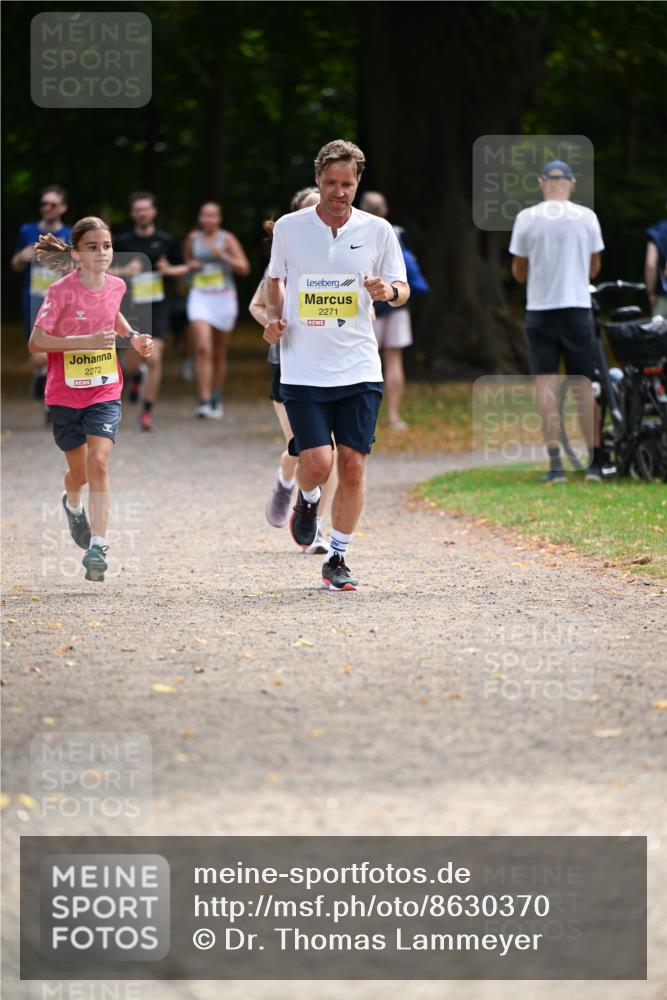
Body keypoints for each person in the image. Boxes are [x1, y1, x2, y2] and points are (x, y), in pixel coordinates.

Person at [263, 139, 409, 591]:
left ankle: (338, 557)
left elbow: (403, 288)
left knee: (352, 465)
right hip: (304, 366)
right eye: (330, 183)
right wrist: (275, 320)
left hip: (359, 366)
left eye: (347, 184)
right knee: (316, 463)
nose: (338, 192)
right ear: (317, 178)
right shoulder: (290, 227)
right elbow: (274, 280)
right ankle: (307, 501)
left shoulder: (378, 230)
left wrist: (387, 292)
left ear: (358, 182)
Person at [28, 217, 152, 582]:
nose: (102, 253)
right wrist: (83, 343)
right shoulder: (60, 292)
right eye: (93, 247)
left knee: (99, 463)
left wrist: (134, 336)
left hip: (103, 388)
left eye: (107, 246)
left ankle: (98, 546)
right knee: (78, 474)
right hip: (65, 392)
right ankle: (72, 504)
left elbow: (110, 314)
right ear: (77, 253)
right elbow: (36, 343)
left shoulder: (117, 285)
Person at [249, 186, 337, 555]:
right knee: (305, 448)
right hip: (287, 367)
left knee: (328, 450)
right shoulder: (282, 262)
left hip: (333, 366)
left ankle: (317, 526)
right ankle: (286, 481)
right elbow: (257, 306)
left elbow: (360, 309)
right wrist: (277, 325)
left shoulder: (345, 259)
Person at [509, 159, 605, 483]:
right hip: (577, 308)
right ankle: (595, 463)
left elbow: (519, 271)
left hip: (540, 310)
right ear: (571, 183)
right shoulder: (587, 217)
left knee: (546, 388)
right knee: (583, 386)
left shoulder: (526, 218)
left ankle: (555, 467)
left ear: (541, 182)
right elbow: (594, 268)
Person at [112, 192, 190, 431]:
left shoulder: (166, 240)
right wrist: (125, 269)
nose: (142, 213)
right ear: (132, 213)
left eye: (146, 209)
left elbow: (184, 268)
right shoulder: (122, 241)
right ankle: (135, 378)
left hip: (158, 305)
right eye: (138, 210)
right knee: (132, 363)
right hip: (131, 306)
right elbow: (104, 271)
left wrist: (170, 269)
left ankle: (146, 411)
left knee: (154, 357)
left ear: (154, 211)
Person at [360, 190, 429, 430]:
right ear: (385, 210)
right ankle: (394, 416)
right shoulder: (396, 232)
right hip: (398, 304)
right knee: (394, 359)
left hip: (369, 305)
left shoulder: (356, 231)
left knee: (368, 360)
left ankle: (369, 417)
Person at [184, 202, 250, 418]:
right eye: (205, 215)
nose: (208, 219)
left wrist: (222, 255)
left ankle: (215, 396)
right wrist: (191, 266)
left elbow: (244, 268)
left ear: (219, 218)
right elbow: (187, 262)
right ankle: (203, 399)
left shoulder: (227, 238)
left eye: (213, 215)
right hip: (200, 296)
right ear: (200, 217)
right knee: (202, 347)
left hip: (223, 298)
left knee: (219, 352)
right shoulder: (192, 239)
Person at [11, 186, 71, 404]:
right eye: (44, 203)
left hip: (62, 302)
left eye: (53, 204)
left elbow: (78, 270)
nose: (47, 208)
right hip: (34, 299)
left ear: (63, 207)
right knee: (38, 354)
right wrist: (22, 256)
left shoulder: (70, 234)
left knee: (57, 351)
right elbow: (15, 265)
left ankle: (52, 400)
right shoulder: (27, 231)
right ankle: (40, 373)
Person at [644, 201, 667, 317]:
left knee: (658, 332)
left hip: (664, 298)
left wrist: (651, 293)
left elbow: (651, 264)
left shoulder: (658, 231)